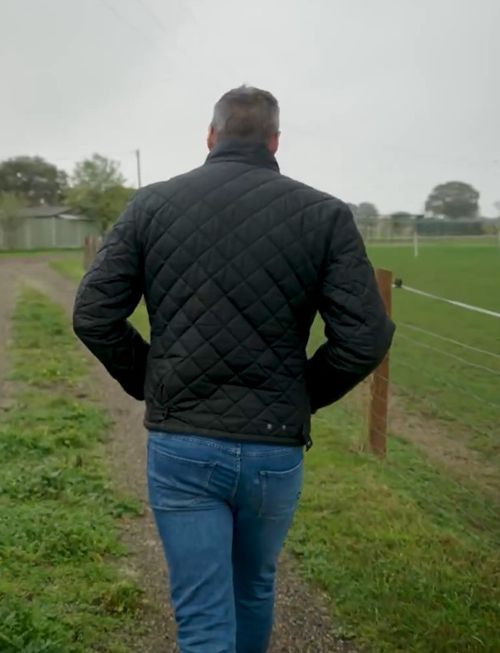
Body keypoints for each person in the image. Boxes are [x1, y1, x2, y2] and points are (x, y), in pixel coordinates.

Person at [72, 86, 394, 653]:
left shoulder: (151, 205)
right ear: (275, 141)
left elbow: (94, 314)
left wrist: (153, 382)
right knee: (253, 587)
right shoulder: (324, 215)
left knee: (203, 616)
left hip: (182, 445)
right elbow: (366, 336)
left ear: (210, 136)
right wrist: (302, 394)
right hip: (274, 446)